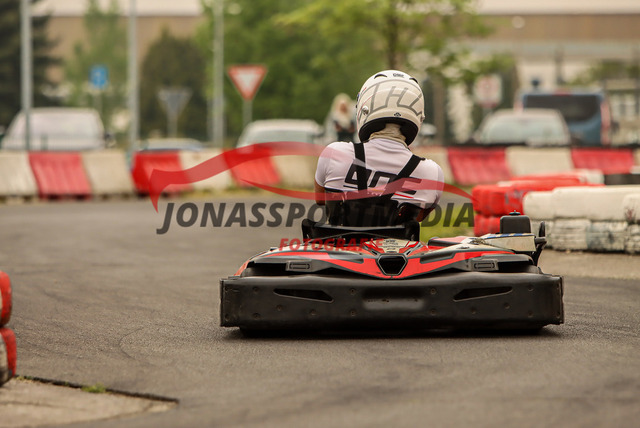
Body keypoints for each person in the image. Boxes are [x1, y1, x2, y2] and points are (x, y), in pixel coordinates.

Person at [314, 70, 444, 225]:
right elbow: (419, 217)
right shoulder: (431, 172)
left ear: (365, 108)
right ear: (418, 115)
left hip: (339, 240)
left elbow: (320, 199)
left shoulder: (335, 153)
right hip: (396, 242)